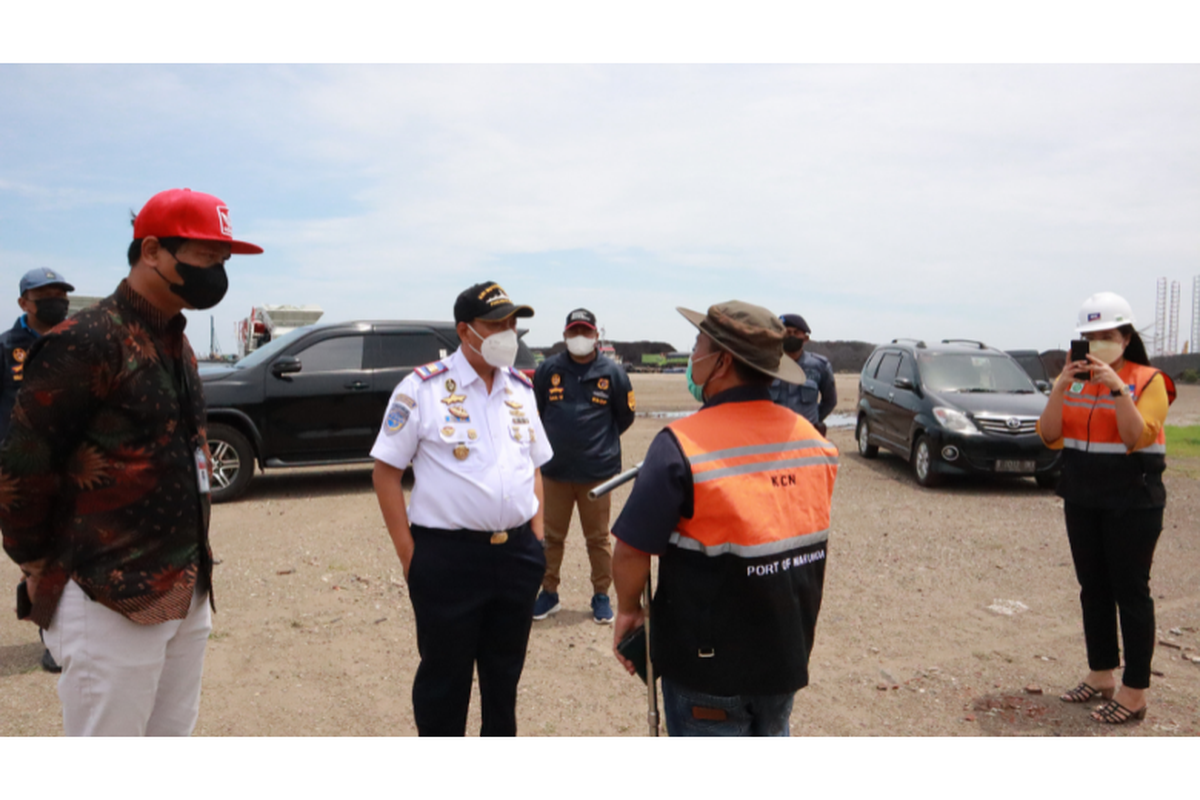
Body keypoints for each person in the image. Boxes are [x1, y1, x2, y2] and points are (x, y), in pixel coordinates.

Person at [0, 188, 262, 735]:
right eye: (204, 257)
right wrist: (34, 564)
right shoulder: (87, 340)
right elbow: (24, 464)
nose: (217, 272)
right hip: (108, 595)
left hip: (185, 587)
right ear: (150, 251)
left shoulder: (177, 343)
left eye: (222, 261)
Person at [610, 301, 839, 736]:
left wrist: (626, 611)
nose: (692, 354)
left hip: (705, 673)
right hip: (785, 657)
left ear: (722, 362)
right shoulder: (814, 444)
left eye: (698, 344)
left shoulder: (680, 444)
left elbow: (631, 548)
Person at [371, 281, 552, 736]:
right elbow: (386, 472)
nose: (507, 333)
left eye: (512, 324)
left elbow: (533, 465)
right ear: (465, 330)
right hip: (447, 558)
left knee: (503, 680)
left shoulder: (520, 389)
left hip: (516, 556)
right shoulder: (423, 389)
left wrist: (537, 535)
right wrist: (410, 555)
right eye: (496, 324)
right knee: (443, 683)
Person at [1038, 291, 1175, 725]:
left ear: (1126, 336)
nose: (1097, 344)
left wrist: (1118, 390)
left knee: (1130, 592)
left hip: (1132, 501)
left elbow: (1137, 437)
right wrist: (1061, 385)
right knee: (1092, 588)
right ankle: (1101, 674)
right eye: (1089, 337)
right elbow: (1048, 434)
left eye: (1106, 336)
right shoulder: (1075, 381)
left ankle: (1135, 691)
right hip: (1082, 496)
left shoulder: (1150, 380)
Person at [531, 308, 635, 624]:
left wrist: (598, 443)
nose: (580, 338)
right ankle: (548, 593)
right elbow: (536, 411)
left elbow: (625, 416)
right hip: (554, 471)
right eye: (574, 332)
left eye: (585, 332)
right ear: (565, 335)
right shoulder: (548, 370)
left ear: (595, 336)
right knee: (550, 536)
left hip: (597, 474)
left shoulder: (613, 373)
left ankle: (601, 596)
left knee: (598, 539)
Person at [1, 267, 76, 674]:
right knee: (34, 558)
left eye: (60, 293)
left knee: (73, 552)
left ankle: (67, 635)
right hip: (24, 471)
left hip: (73, 466)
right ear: (23, 303)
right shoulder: (5, 349)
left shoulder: (77, 343)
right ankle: (48, 636)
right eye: (44, 294)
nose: (55, 300)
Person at [768, 313, 837, 435]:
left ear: (805, 339)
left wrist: (814, 420)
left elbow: (830, 401)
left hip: (807, 435)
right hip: (774, 433)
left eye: (796, 333)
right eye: (787, 333)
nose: (791, 336)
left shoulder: (819, 365)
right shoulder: (768, 364)